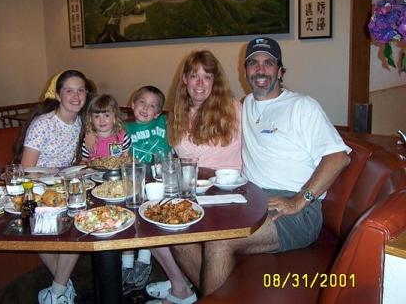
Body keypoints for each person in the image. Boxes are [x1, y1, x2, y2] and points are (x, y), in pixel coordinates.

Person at [163, 37, 352, 296]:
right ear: (246, 72)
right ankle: (214, 297)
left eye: (268, 63)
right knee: (178, 232)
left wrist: (300, 200)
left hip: (295, 211)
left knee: (220, 240)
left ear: (280, 70)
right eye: (253, 63)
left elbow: (339, 157)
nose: (260, 69)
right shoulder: (247, 105)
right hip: (249, 199)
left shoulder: (302, 106)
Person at [146, 50, 242, 304]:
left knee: (171, 226)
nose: (200, 83)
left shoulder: (233, 109)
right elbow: (143, 131)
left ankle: (197, 290)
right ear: (185, 80)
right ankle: (182, 285)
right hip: (190, 192)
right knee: (149, 217)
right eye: (194, 76)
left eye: (207, 77)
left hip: (226, 194)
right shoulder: (176, 113)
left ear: (215, 82)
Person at [14, 70, 93, 304]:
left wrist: (90, 133)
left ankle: (59, 289)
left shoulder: (82, 122)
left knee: (82, 219)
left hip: (64, 190)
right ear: (58, 95)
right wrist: (60, 173)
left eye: (81, 90)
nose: (76, 96)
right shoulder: (43, 124)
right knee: (38, 225)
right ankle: (61, 287)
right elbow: (26, 168)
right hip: (34, 190)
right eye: (69, 90)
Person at [122, 86, 171, 294]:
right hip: (133, 181)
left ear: (158, 113)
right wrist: (89, 132)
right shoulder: (123, 127)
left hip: (159, 182)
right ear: (132, 104)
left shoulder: (164, 123)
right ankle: (125, 261)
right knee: (129, 220)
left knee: (149, 220)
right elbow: (99, 121)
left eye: (152, 106)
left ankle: (144, 258)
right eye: (141, 102)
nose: (145, 108)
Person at [81, 94, 130, 162]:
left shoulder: (122, 136)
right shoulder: (89, 140)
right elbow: (84, 160)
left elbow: (126, 158)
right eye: (97, 116)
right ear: (91, 119)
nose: (102, 120)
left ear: (115, 117)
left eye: (107, 115)